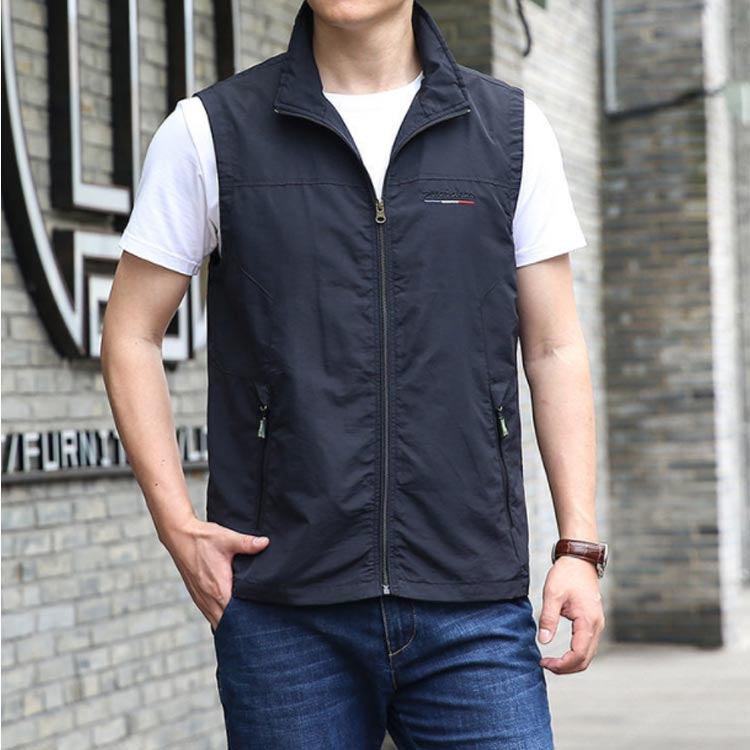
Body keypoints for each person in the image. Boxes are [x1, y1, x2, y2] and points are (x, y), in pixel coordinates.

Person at [101, 0, 607, 747]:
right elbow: (130, 334)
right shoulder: (211, 131)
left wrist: (579, 546)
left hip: (471, 603)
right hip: (285, 612)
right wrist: (177, 526)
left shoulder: (509, 130)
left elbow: (555, 348)